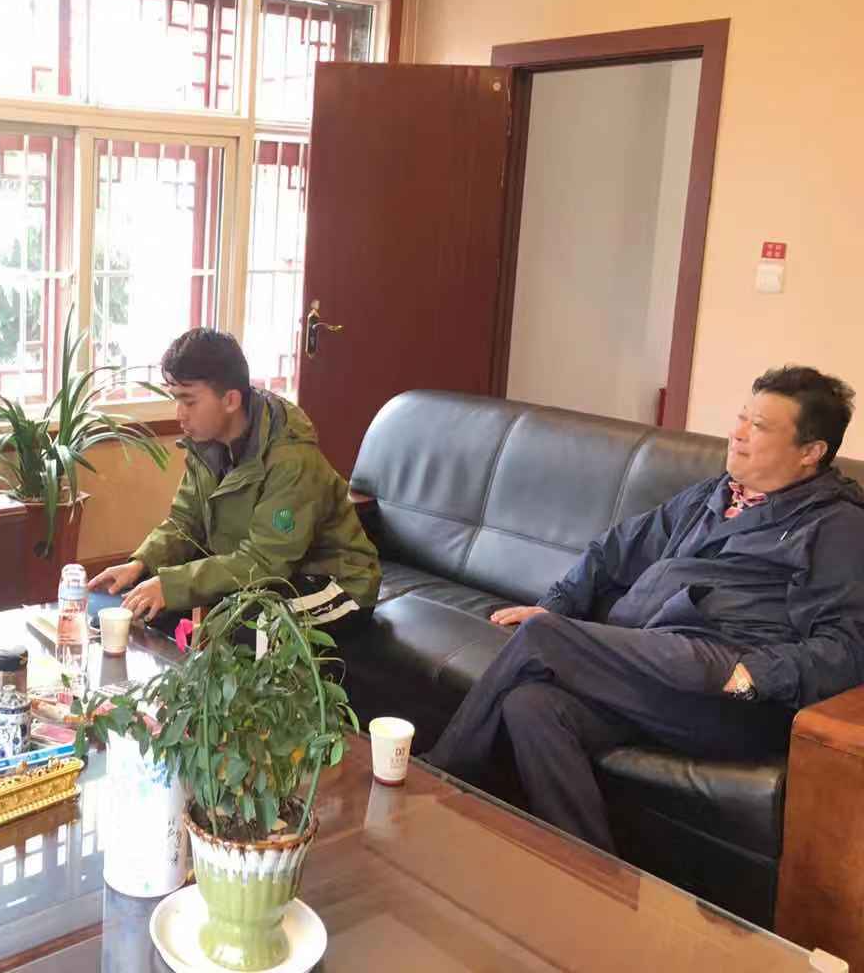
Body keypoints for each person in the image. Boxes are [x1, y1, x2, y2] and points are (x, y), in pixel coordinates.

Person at [423, 366, 864, 854]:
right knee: (532, 706)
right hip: (656, 663)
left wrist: (752, 675)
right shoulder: (713, 496)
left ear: (810, 452)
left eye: (758, 426)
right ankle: (589, 876)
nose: (737, 433)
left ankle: (433, 788)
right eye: (741, 417)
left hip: (731, 690)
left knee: (543, 636)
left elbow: (846, 648)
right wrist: (556, 603)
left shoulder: (837, 528)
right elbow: (613, 550)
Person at [89, 328, 381, 638]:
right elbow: (184, 522)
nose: (179, 414)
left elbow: (266, 560)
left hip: (332, 583)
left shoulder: (291, 459)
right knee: (145, 604)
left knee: (237, 630)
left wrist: (170, 585)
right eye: (176, 399)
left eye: (189, 401)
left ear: (230, 400)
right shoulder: (206, 443)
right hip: (271, 576)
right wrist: (141, 564)